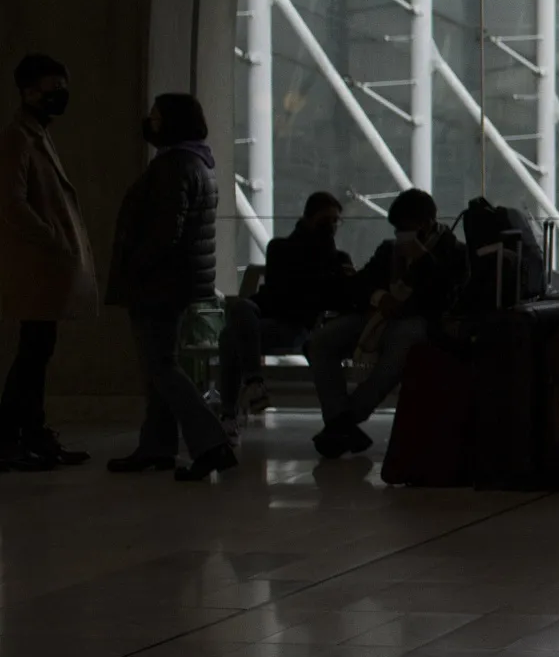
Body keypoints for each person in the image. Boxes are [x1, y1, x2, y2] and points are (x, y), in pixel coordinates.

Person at [104, 92, 236, 481]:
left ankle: (210, 444)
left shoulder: (173, 167)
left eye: (157, 118)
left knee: (161, 366)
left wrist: (134, 269)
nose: (150, 122)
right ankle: (157, 446)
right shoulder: (197, 163)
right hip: (177, 283)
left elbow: (165, 233)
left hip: (157, 284)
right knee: (160, 366)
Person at [307, 187, 466, 458]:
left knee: (402, 339)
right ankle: (341, 424)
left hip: (418, 323)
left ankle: (344, 421)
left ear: (426, 224)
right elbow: (358, 285)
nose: (400, 234)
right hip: (376, 317)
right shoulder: (389, 252)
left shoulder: (453, 253)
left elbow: (443, 299)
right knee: (322, 341)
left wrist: (422, 260)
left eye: (406, 228)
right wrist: (379, 297)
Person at [0, 54, 97, 472]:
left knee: (38, 352)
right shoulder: (19, 138)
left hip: (45, 267)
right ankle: (10, 439)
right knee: (32, 354)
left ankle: (32, 435)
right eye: (51, 88)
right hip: (37, 267)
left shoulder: (36, 132)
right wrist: (52, 236)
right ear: (28, 91)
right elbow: (10, 201)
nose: (60, 96)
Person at [219, 191, 352, 436]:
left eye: (336, 221)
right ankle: (253, 385)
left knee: (230, 336)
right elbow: (287, 291)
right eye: (327, 221)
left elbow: (332, 297)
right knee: (239, 308)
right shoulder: (281, 248)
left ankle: (239, 401)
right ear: (309, 219)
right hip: (271, 317)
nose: (332, 227)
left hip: (295, 325)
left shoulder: (336, 258)